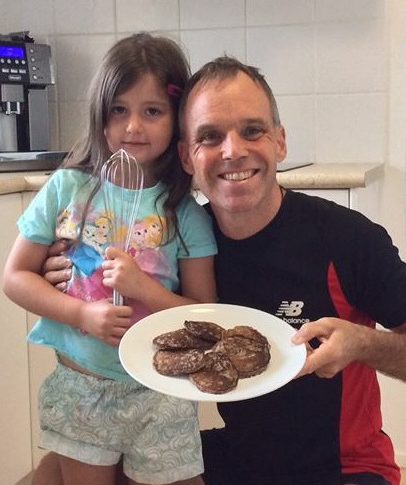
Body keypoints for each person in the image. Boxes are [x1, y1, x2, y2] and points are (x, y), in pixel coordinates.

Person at [41, 55, 406, 485]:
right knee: (52, 472)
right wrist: (74, 276)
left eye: (252, 131)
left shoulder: (346, 237)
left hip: (344, 469)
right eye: (210, 136)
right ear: (186, 156)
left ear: (280, 142)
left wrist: (362, 344)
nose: (232, 151)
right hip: (237, 459)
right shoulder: (178, 247)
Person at [2, 33, 217, 485]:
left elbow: (204, 316)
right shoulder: (67, 189)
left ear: (176, 119)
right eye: (119, 109)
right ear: (100, 114)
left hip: (160, 392)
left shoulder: (185, 213)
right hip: (82, 388)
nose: (133, 126)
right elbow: (16, 277)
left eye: (152, 111)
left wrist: (145, 289)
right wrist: (81, 313)